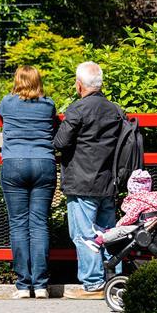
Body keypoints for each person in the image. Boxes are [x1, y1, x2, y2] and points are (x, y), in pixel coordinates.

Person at [53, 61, 123, 299]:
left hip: (82, 181)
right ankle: (114, 279)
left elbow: (60, 142)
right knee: (108, 232)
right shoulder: (115, 110)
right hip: (108, 181)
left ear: (79, 85)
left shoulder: (77, 109)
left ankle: (93, 284)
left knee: (84, 235)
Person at [0, 66, 59, 299]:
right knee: (39, 223)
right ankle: (41, 285)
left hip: (14, 163)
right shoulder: (48, 105)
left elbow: (2, 120)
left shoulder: (7, 102)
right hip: (44, 163)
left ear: (17, 81)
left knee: (19, 224)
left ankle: (23, 285)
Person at [88, 169, 157, 249]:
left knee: (120, 230)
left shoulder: (138, 200)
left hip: (144, 227)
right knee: (121, 229)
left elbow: (130, 217)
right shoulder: (155, 197)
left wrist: (118, 225)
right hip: (154, 224)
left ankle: (98, 241)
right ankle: (106, 232)